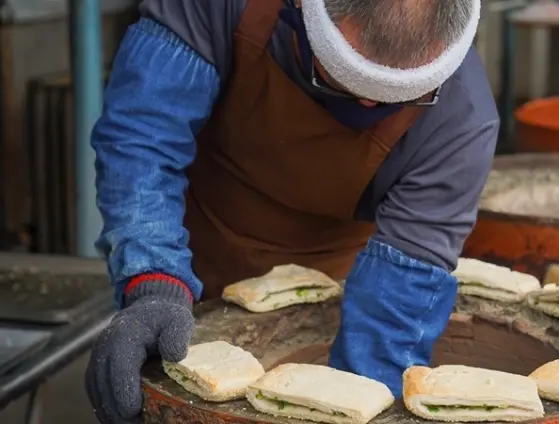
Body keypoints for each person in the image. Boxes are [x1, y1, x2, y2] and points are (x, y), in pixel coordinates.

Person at [85, 0, 498, 422]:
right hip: (190, 252)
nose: (367, 104)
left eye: (402, 96)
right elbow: (143, 141)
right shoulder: (221, 7)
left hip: (341, 288)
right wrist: (153, 282)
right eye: (341, 79)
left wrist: (363, 396)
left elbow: (392, 314)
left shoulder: (462, 121)